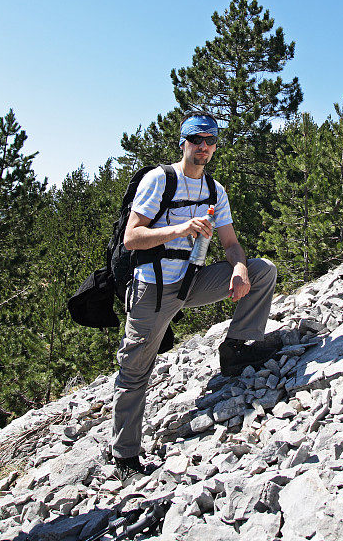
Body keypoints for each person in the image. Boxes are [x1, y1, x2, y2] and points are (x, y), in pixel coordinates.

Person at [111, 112, 279, 480]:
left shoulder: (215, 190)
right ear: (183, 141)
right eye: (196, 139)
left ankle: (236, 348)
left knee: (262, 270)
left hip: (192, 281)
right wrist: (182, 228)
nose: (203, 147)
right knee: (135, 369)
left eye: (210, 140)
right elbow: (131, 237)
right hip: (153, 289)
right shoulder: (160, 180)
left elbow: (231, 243)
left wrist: (238, 267)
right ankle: (124, 456)